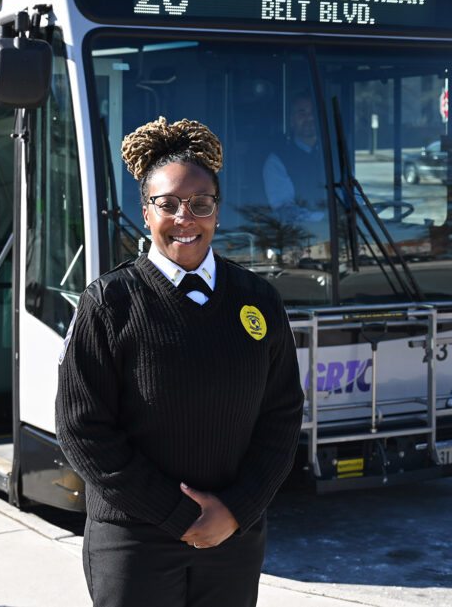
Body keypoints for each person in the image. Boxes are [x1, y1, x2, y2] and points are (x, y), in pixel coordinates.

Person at [56, 116, 304, 607]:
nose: (184, 218)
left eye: (200, 204)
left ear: (217, 211)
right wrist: (179, 515)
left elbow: (282, 417)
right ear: (145, 212)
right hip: (134, 543)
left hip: (233, 540)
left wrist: (234, 512)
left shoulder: (259, 300)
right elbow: (82, 430)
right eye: (167, 204)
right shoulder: (109, 303)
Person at [261, 93, 326, 223]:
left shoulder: (335, 155)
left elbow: (353, 198)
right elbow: (287, 212)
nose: (309, 118)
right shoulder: (276, 161)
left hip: (342, 235)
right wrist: (327, 217)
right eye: (302, 113)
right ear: (291, 120)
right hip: (301, 239)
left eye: (313, 112)